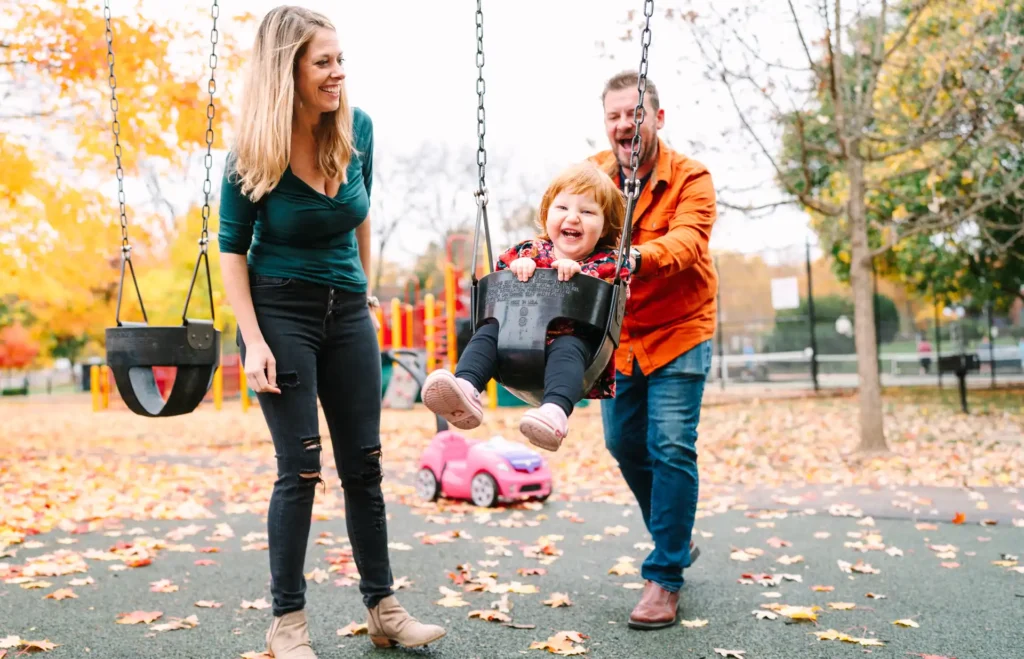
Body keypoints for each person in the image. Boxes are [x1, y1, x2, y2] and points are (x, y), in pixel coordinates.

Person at [216, 7, 445, 657]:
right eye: (324, 62)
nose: (338, 72)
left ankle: (384, 608)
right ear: (287, 69)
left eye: (341, 59)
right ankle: (287, 623)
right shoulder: (253, 148)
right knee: (302, 467)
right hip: (278, 311)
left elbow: (362, 215)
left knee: (365, 465)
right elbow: (232, 247)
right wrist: (253, 339)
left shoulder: (358, 128)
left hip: (347, 312)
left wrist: (364, 291)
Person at [589, 70, 718, 630]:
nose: (624, 125)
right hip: (620, 337)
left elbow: (688, 242)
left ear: (657, 119)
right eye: (615, 116)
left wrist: (636, 257)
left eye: (634, 114)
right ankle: (676, 535)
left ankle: (664, 576)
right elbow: (565, 221)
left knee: (669, 444)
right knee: (622, 443)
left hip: (681, 327)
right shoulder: (593, 175)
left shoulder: (692, 177)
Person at [419, 161, 631, 452]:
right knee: (487, 334)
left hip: (574, 350)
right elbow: (500, 276)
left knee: (568, 347)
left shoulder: (606, 261)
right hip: (514, 340)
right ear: (546, 214)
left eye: (587, 211)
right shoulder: (529, 250)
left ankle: (554, 415)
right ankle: (466, 389)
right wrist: (518, 267)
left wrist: (581, 273)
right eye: (563, 208)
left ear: (605, 225)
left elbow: (618, 286)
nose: (573, 218)